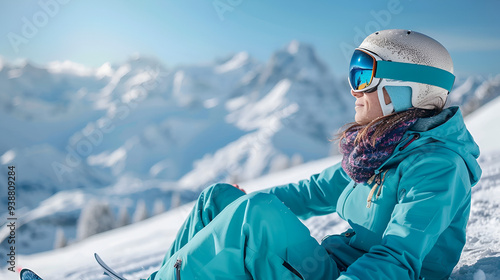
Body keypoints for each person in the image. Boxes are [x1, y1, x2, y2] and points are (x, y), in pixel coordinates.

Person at [146, 29, 482, 280]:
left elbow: (399, 257)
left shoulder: (439, 168)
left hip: (353, 275)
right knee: (219, 198)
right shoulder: (378, 151)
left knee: (252, 214)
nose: (354, 89)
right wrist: (243, 205)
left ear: (404, 89)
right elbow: (312, 193)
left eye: (364, 75)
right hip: (330, 265)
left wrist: (251, 214)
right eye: (354, 72)